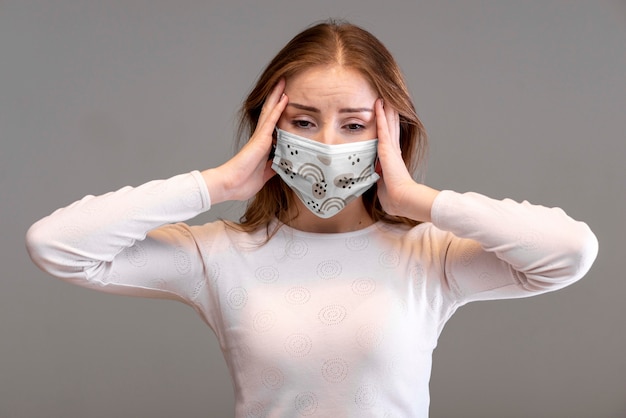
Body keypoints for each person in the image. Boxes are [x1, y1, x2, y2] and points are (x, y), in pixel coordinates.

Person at [26, 20, 598, 417]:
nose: (327, 143)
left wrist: (417, 201)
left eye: (353, 125)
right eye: (303, 122)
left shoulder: (435, 256)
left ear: (390, 133)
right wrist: (219, 183)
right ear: (268, 129)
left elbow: (568, 253)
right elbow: (57, 246)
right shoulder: (216, 256)